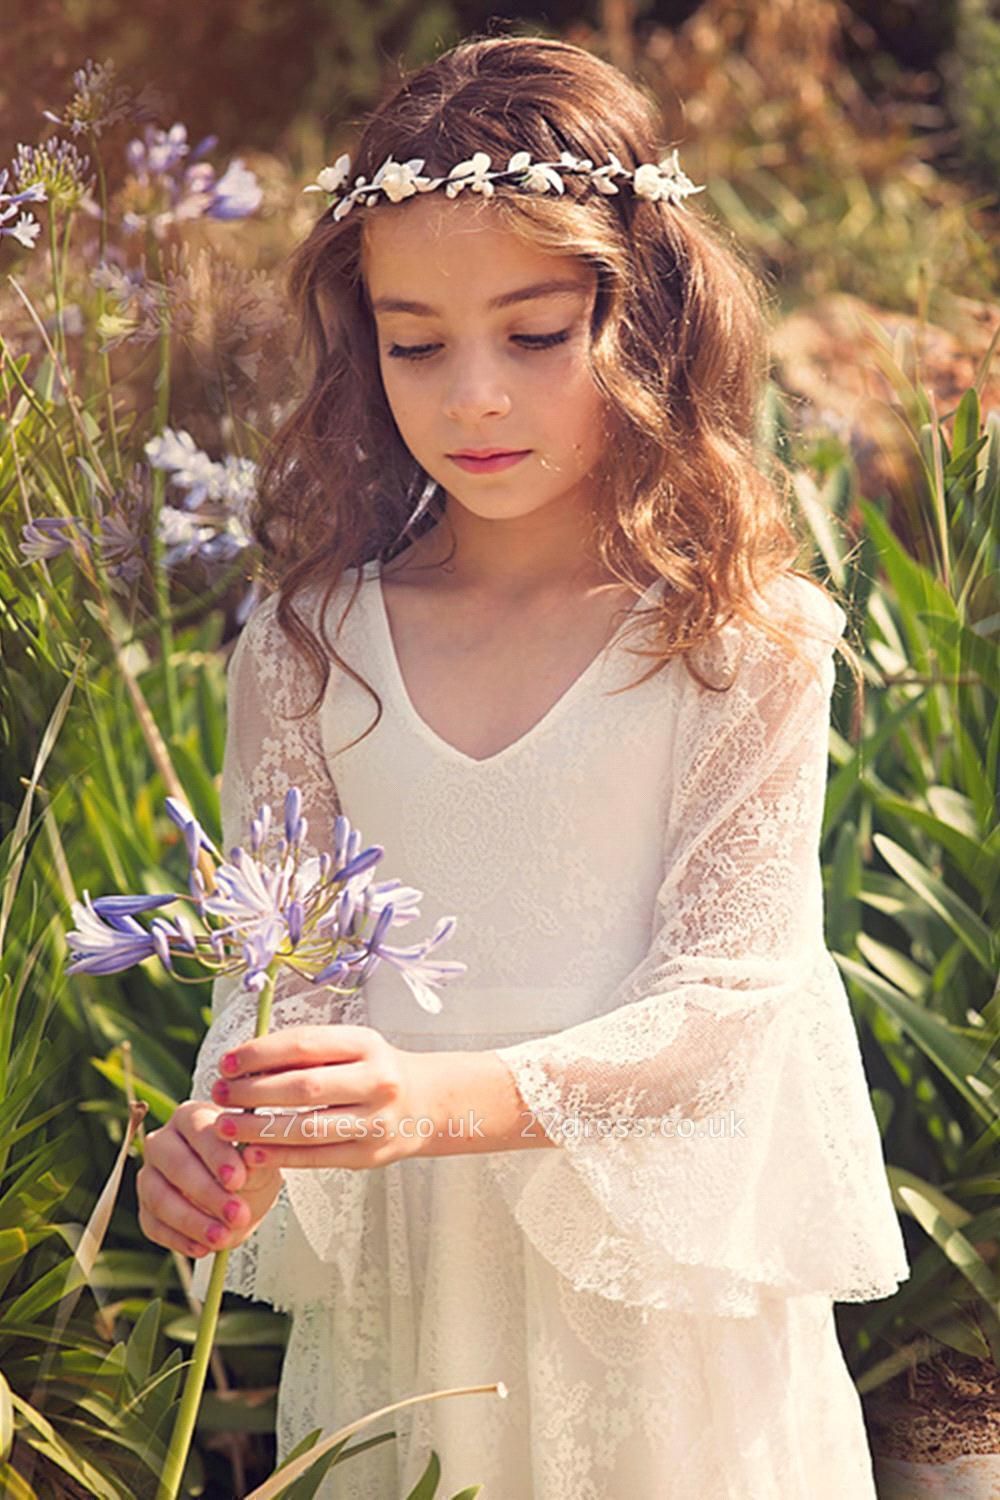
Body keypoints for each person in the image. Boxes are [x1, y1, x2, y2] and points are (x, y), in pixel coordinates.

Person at [136, 33, 910, 1498]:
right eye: (415, 341)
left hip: (659, 1307)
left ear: (651, 319)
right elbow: (286, 974)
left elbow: (728, 1005)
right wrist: (231, 1139)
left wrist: (433, 1101)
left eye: (536, 333)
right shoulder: (309, 648)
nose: (473, 395)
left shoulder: (740, 640)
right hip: (413, 1304)